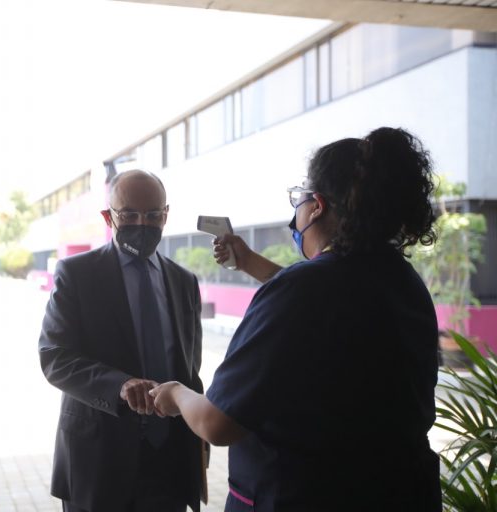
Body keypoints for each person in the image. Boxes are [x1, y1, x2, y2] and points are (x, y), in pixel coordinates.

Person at [150, 127, 442, 511]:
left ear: (317, 206)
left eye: (299, 196)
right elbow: (328, 311)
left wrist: (174, 393)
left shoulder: (305, 290)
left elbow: (217, 423)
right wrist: (249, 261)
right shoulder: (403, 282)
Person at [39, 169, 206, 512]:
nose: (142, 223)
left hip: (170, 462)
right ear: (108, 217)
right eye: (129, 214)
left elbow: (190, 369)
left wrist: (200, 441)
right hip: (99, 461)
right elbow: (55, 356)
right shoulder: (77, 274)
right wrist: (119, 385)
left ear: (166, 216)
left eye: (152, 215)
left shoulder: (184, 281)